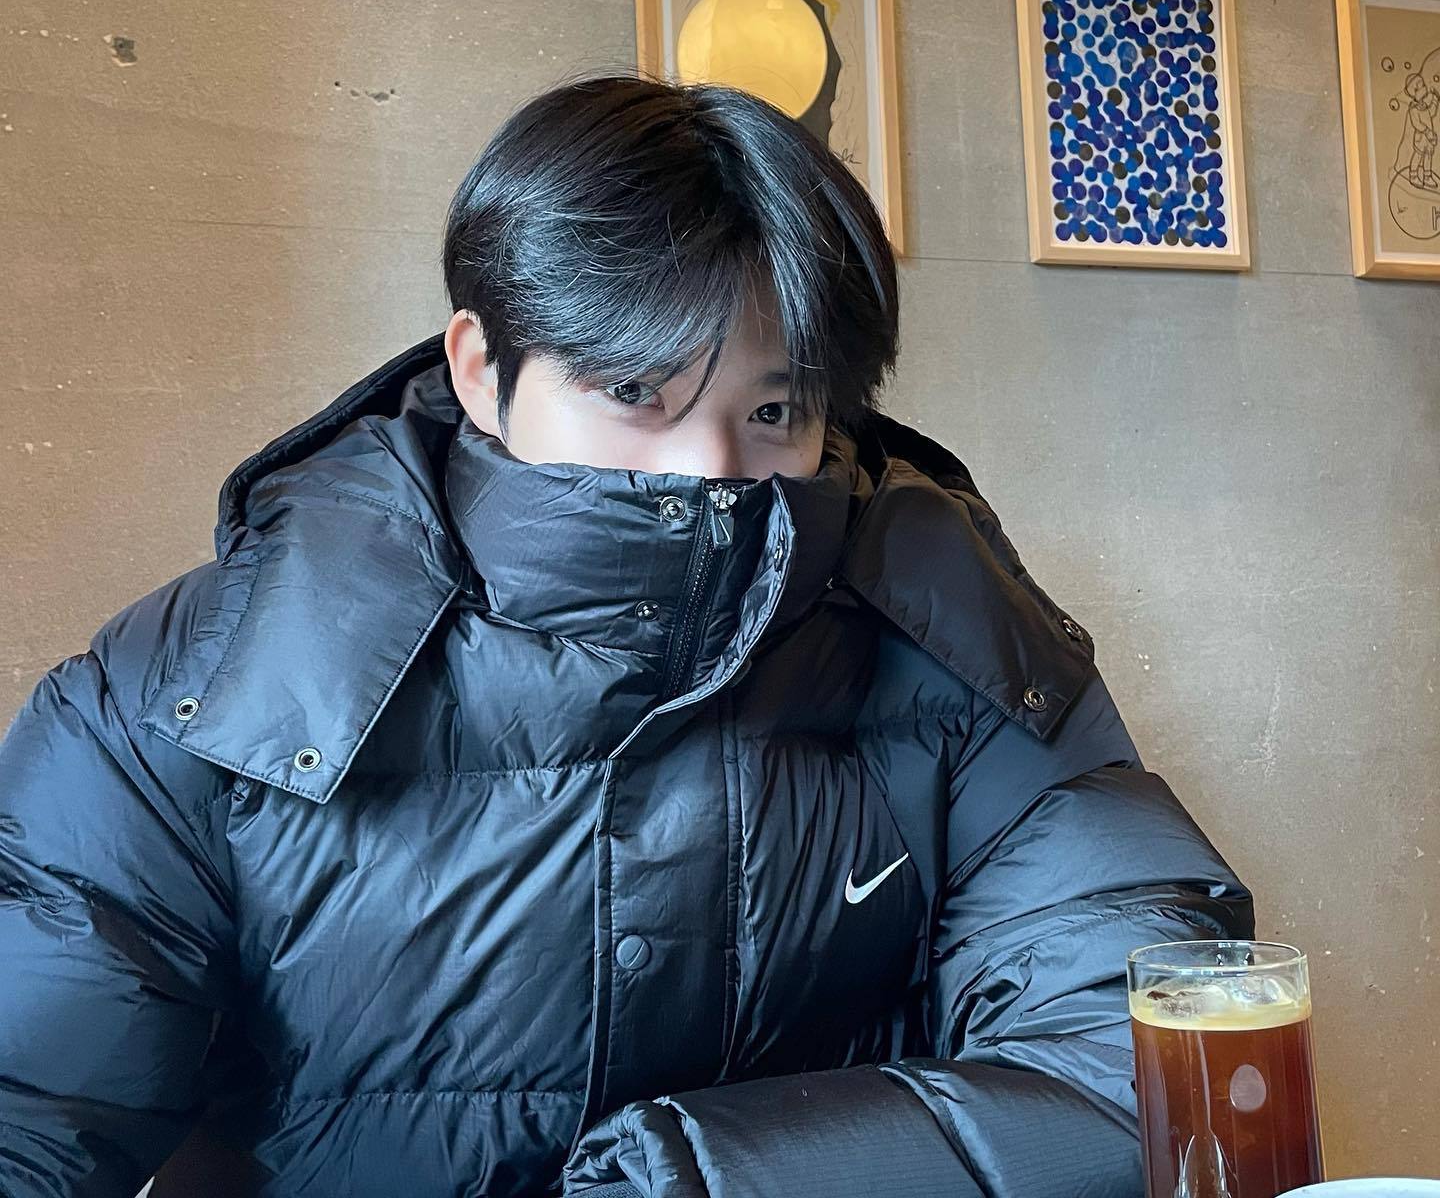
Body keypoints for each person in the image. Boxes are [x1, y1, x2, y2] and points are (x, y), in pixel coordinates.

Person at [0, 75, 1252, 1198]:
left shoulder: (961, 647)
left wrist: (703, 1184)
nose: (711, 470)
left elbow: (1164, 1067)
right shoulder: (193, 685)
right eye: (634, 393)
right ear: (481, 369)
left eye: (776, 409)